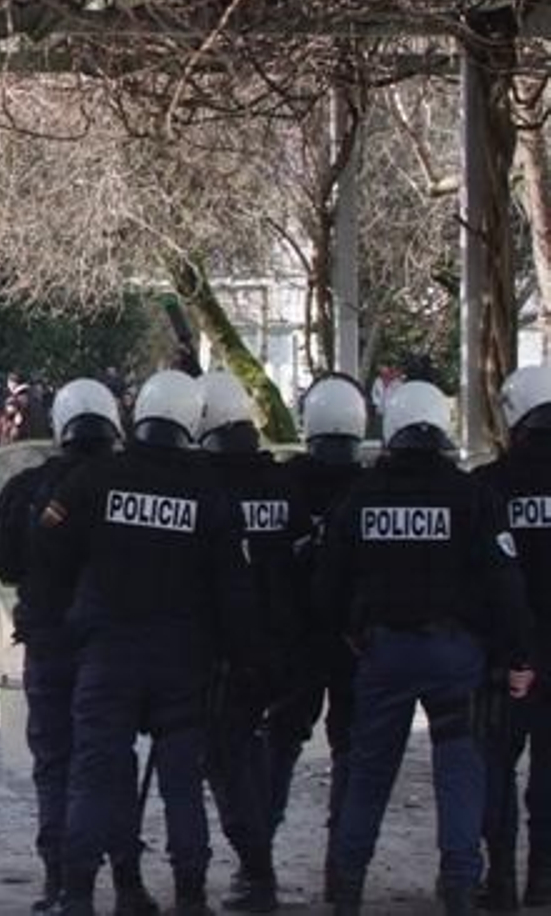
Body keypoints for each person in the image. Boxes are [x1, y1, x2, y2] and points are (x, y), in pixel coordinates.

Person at [313, 381, 535, 915]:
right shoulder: (471, 495)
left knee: (368, 775)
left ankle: (346, 890)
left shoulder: (361, 496)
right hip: (455, 656)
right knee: (459, 772)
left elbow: (328, 581)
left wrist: (343, 640)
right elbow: (505, 584)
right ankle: (459, 887)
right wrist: (519, 655)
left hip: (383, 655)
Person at [44, 370, 259, 916]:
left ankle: (76, 894)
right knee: (182, 782)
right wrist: (238, 656)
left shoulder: (96, 478)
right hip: (182, 660)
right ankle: (190, 894)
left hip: (107, 653)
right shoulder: (208, 492)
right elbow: (233, 587)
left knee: (95, 776)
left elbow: (48, 554)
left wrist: (68, 623)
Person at [0, 378, 156, 916]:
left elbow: (3, 562)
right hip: (114, 645)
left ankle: (59, 879)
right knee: (112, 762)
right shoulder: (130, 486)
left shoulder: (27, 488)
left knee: (55, 762)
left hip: (48, 641)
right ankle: (128, 879)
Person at [194, 371, 312, 914]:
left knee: (227, 759)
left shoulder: (202, 485)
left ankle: (256, 864)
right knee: (278, 751)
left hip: (227, 648)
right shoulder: (285, 483)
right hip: (289, 643)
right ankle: (258, 853)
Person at [270, 373, 369, 903]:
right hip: (355, 643)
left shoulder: (286, 483)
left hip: (298, 639)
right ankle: (343, 872)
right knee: (351, 751)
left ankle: (257, 862)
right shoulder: (371, 485)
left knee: (280, 745)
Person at [477, 364, 551, 909]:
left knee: (495, 768)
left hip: (503, 656)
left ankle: (498, 879)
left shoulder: (489, 485)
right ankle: (544, 877)